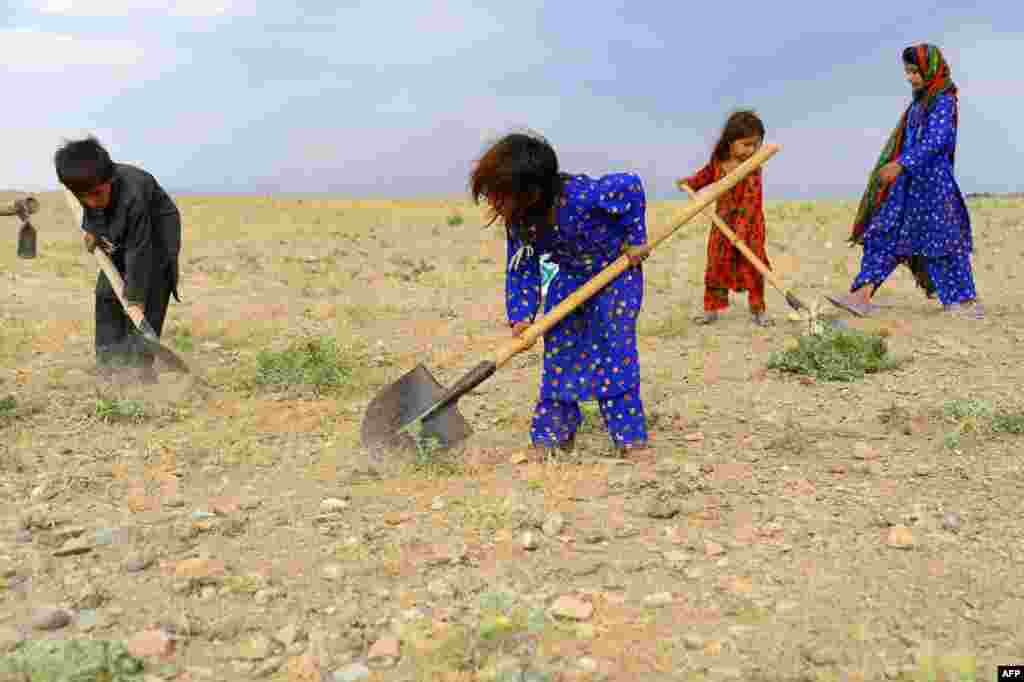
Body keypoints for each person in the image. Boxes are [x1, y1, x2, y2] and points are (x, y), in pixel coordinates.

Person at [469, 131, 652, 456]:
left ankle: (629, 438)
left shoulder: (583, 195)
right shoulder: (520, 221)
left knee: (613, 350)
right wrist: (522, 318)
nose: (494, 203)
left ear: (532, 191)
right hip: (570, 278)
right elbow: (522, 268)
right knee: (561, 353)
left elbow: (632, 186)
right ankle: (554, 435)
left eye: (500, 194)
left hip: (615, 276)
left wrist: (636, 239)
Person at [828, 44, 982, 319]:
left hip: (934, 187)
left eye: (915, 71)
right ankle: (861, 295)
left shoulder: (944, 100)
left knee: (943, 242)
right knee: (884, 234)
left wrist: (901, 163)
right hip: (906, 186)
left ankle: (964, 301)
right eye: (908, 72)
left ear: (930, 69)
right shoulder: (919, 103)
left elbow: (937, 141)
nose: (910, 77)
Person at [55, 136, 182, 383]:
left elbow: (139, 249)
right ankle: (110, 363)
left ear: (109, 179)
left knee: (147, 298)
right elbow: (91, 208)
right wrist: (91, 229)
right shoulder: (87, 186)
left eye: (96, 193)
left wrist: (136, 296)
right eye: (84, 196)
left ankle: (139, 372)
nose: (91, 201)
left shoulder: (134, 192)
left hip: (154, 241)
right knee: (106, 293)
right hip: (122, 239)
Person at [677, 110, 773, 327]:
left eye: (756, 145)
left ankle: (758, 309)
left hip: (750, 225)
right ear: (730, 141)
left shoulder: (753, 167)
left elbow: (750, 203)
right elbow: (708, 174)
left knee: (753, 265)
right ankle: (711, 309)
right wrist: (691, 183)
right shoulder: (719, 158)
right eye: (747, 144)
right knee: (716, 263)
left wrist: (739, 234)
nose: (752, 150)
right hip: (722, 220)